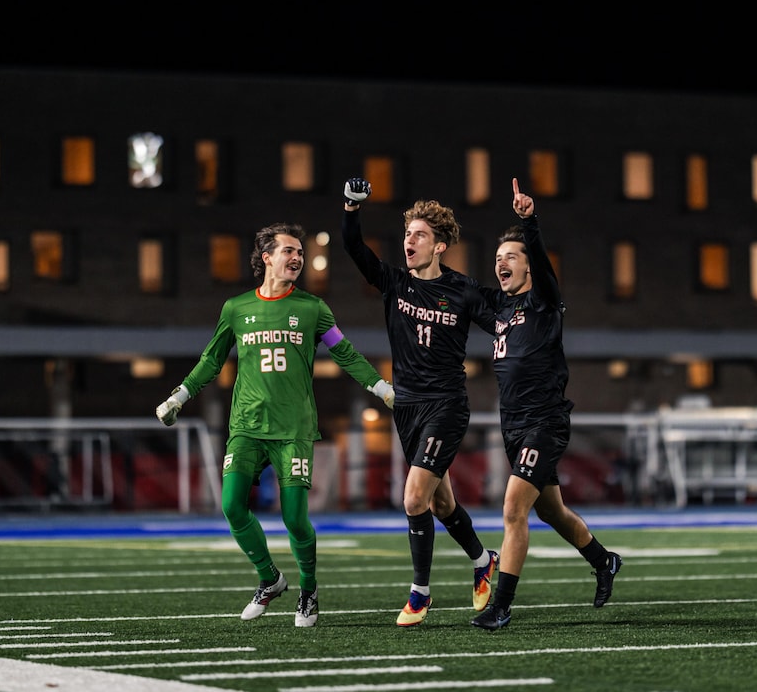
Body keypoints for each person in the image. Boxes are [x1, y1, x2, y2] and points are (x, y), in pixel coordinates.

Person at [154, 222, 395, 628]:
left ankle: (309, 590)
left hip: (293, 429)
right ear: (266, 257)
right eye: (289, 250)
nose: (297, 258)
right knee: (232, 506)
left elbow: (346, 353)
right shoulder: (236, 308)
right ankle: (270, 579)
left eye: (300, 252)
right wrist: (179, 396)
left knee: (295, 518)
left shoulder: (313, 309)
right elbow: (212, 360)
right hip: (246, 425)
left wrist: (381, 387)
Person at [341, 177, 499, 627]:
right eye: (407, 234)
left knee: (413, 499)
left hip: (446, 405)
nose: (410, 241)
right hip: (406, 407)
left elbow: (506, 324)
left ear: (440, 245)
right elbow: (355, 249)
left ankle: (420, 594)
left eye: (420, 235)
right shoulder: (394, 282)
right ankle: (483, 560)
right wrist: (352, 207)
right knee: (441, 504)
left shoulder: (464, 290)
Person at [469, 179, 621, 631]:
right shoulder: (500, 311)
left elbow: (540, 261)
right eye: (497, 259)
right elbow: (459, 295)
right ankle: (603, 559)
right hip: (513, 426)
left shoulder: (543, 301)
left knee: (514, 508)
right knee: (550, 509)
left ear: (530, 266)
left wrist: (528, 222)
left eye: (511, 258)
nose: (502, 264)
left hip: (545, 423)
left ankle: (502, 605)